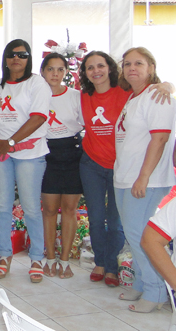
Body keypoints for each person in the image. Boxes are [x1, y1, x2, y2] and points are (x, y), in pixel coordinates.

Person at [78, 51, 173, 287]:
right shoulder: (88, 96)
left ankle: (137, 281)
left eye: (101, 65)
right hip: (104, 167)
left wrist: (168, 85)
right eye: (90, 67)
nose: (96, 71)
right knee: (111, 225)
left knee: (128, 228)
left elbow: (159, 135)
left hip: (133, 173)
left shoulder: (138, 93)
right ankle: (124, 275)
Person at [0, 39, 50, 283]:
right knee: (2, 205)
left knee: (31, 206)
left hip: (28, 153)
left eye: (21, 54)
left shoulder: (36, 83)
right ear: (5, 58)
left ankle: (36, 258)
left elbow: (39, 118)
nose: (16, 58)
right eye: (11, 54)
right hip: (0, 153)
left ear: (28, 58)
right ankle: (5, 255)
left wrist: (9, 141)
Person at [113, 47, 175, 313]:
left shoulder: (158, 96)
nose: (132, 68)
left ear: (151, 67)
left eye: (139, 63)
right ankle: (141, 281)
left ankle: (156, 290)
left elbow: (159, 139)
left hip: (147, 179)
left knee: (141, 234)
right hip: (125, 177)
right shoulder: (133, 97)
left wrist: (144, 177)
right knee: (132, 233)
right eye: (127, 64)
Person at [39, 53, 83, 279]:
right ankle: (49, 259)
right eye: (50, 69)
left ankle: (64, 260)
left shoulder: (76, 96)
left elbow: (88, 124)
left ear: (66, 73)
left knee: (69, 209)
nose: (55, 74)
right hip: (47, 155)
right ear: (42, 71)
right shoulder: (36, 96)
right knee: (48, 210)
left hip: (72, 154)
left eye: (60, 69)